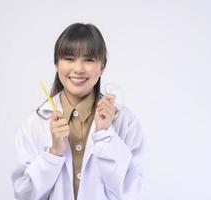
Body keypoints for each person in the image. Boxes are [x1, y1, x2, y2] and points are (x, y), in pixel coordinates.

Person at [11, 23, 146, 200]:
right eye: (69, 58)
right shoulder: (36, 122)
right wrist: (54, 153)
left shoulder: (124, 121)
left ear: (102, 66)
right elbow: (24, 194)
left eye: (89, 60)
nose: (78, 69)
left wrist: (105, 135)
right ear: (56, 63)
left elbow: (133, 193)